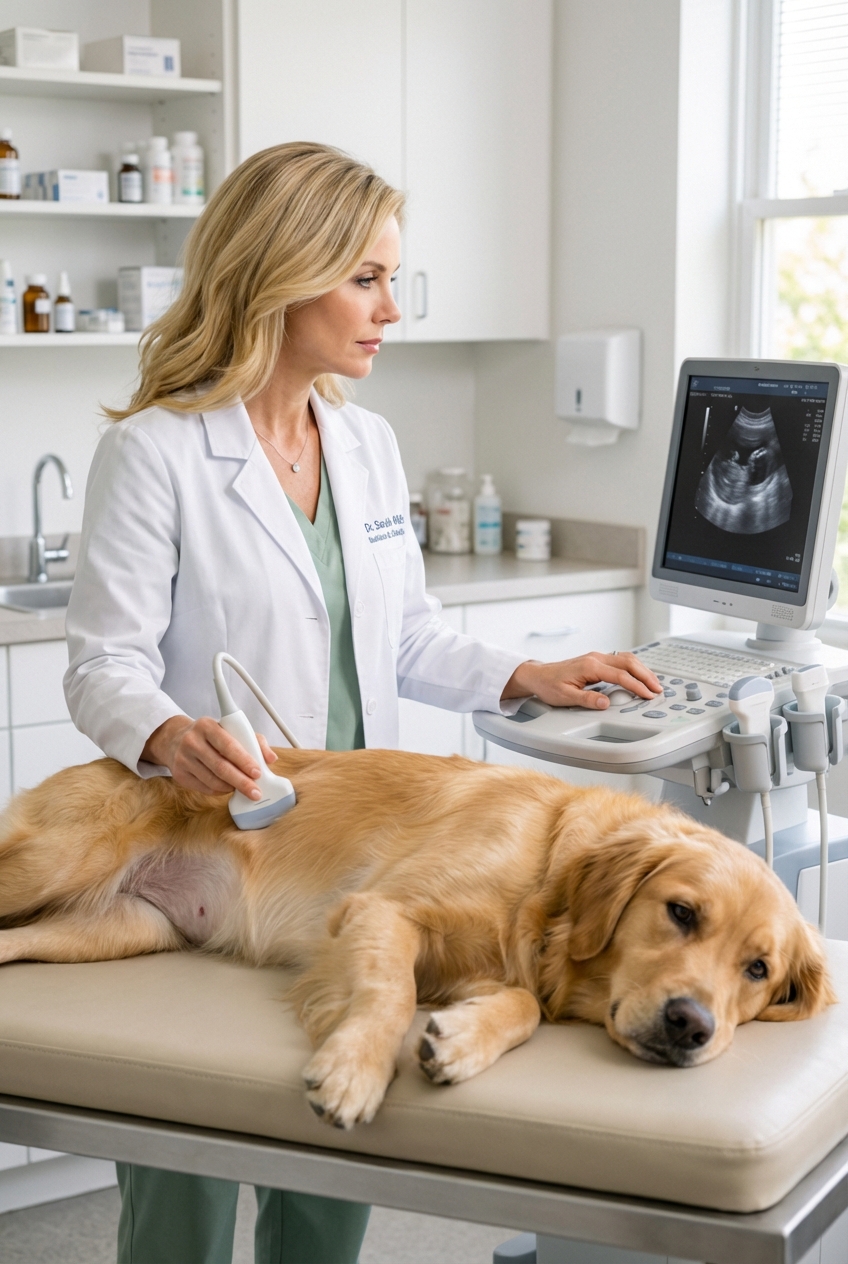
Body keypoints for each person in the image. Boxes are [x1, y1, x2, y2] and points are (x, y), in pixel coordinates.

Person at [64, 141, 660, 1264]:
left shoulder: (368, 446)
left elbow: (403, 634)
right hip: (214, 854)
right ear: (283, 275)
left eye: (394, 278)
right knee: (184, 1191)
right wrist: (164, 732)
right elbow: (101, 663)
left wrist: (523, 675)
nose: (391, 307)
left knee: (335, 1156)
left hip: (354, 863)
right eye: (367, 278)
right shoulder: (157, 453)